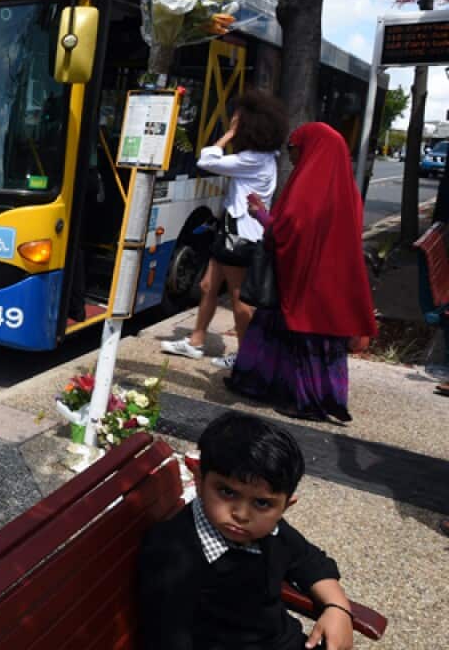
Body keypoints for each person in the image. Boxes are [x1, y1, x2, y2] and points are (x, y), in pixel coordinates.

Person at [137, 412, 356, 650]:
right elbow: (167, 638)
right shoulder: (173, 554)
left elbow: (310, 562)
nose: (241, 514)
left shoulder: (272, 532)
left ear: (285, 506)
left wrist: (337, 608)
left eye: (262, 503)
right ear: (199, 481)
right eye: (227, 492)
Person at [227, 122, 377, 423]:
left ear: (310, 148)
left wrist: (260, 214)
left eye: (293, 148)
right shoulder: (347, 190)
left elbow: (287, 230)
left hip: (305, 283)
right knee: (297, 335)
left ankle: (310, 402)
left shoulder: (308, 187)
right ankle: (285, 390)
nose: (291, 156)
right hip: (328, 284)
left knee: (298, 337)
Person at [163, 91, 288, 370]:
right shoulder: (259, 157)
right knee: (208, 286)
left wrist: (227, 135)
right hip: (230, 232)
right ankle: (196, 341)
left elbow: (206, 161)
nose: (233, 124)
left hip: (240, 237)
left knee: (238, 298)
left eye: (237, 122)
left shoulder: (254, 159)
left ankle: (247, 356)